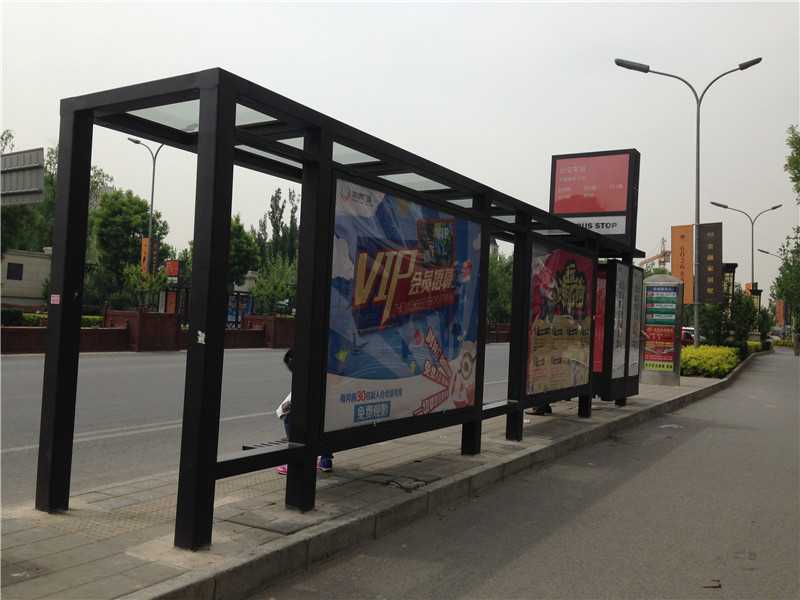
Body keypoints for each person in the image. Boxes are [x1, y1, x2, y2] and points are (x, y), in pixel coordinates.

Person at [275, 348, 333, 475]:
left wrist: (284, 409)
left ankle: (295, 460)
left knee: (289, 418)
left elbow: (296, 402)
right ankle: (325, 460)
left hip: (314, 407)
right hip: (331, 404)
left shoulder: (307, 376)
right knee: (326, 419)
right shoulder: (329, 359)